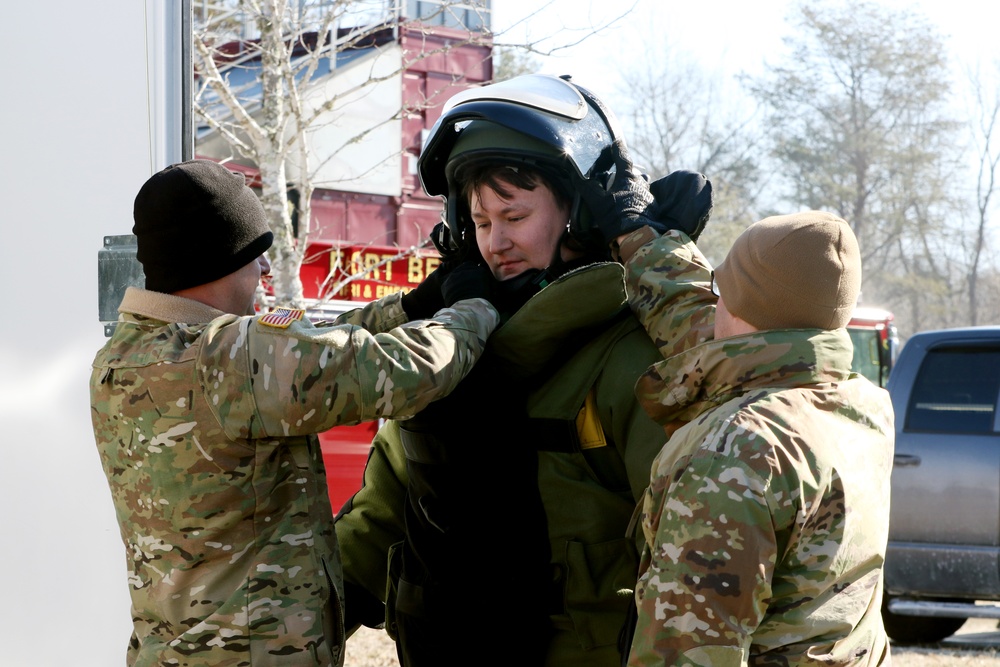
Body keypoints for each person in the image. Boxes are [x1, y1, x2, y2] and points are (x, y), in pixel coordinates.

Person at [334, 74, 711, 667]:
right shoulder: (448, 354)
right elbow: (385, 512)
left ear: (581, 213)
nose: (495, 244)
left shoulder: (631, 361)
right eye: (481, 223)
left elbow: (701, 565)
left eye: (514, 215)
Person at [90, 159, 499, 666]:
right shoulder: (229, 359)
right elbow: (408, 369)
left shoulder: (123, 359)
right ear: (215, 259)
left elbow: (307, 350)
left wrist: (412, 305)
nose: (264, 269)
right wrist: (473, 309)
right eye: (254, 255)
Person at [593, 204, 895, 664]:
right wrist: (642, 240)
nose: (713, 301)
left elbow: (690, 651)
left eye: (721, 288)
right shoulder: (864, 408)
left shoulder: (734, 449)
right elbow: (732, 345)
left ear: (735, 303)